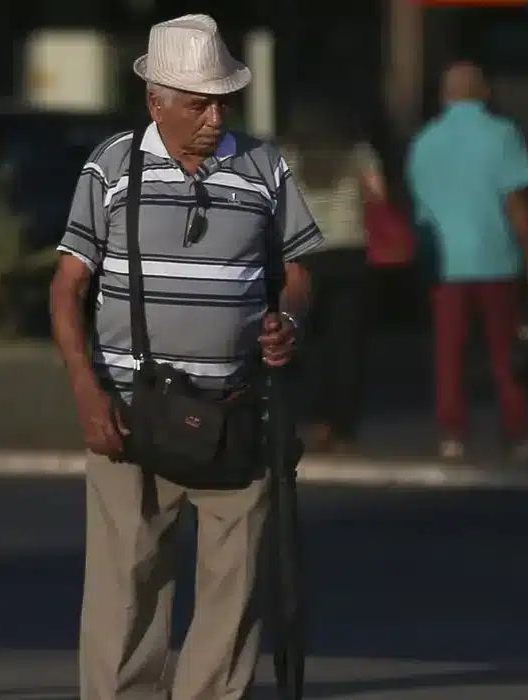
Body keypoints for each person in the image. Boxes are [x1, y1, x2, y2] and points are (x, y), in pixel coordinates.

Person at [48, 15, 321, 700]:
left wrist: (288, 319)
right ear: (156, 101)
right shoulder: (112, 166)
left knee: (235, 595)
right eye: (198, 102)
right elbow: (67, 286)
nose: (213, 115)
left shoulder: (264, 165)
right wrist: (85, 390)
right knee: (126, 592)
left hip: (235, 411)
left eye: (222, 99)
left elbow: (298, 270)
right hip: (130, 413)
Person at [406, 61, 528, 462]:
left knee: (449, 353)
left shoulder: (424, 141)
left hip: (445, 262)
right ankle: (516, 430)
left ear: (444, 95)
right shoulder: (503, 134)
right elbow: (516, 199)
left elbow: (418, 204)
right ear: (484, 91)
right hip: (496, 257)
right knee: (505, 350)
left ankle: (452, 432)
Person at [282, 102, 388, 453]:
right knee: (348, 343)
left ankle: (316, 421)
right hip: (350, 251)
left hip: (307, 255)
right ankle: (345, 426)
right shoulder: (357, 153)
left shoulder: (290, 156)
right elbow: (378, 195)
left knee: (311, 343)